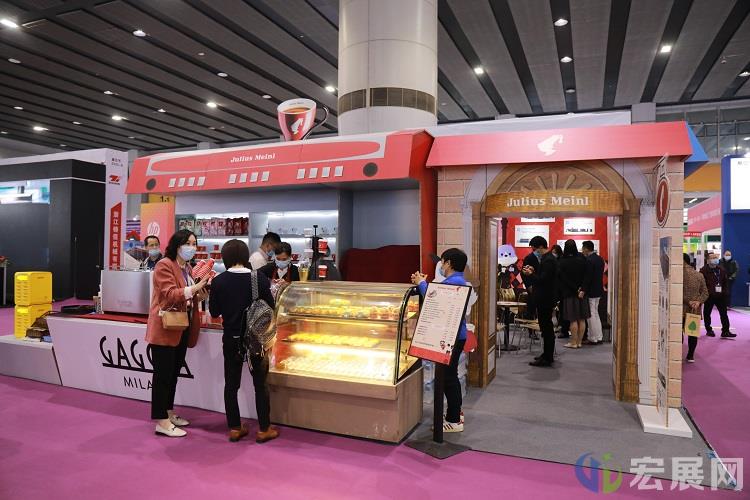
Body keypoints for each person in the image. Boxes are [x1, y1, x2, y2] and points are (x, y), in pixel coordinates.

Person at [209, 239, 279, 443]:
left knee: (231, 385)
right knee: (260, 384)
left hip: (231, 339)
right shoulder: (259, 278)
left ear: (225, 257)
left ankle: (235, 427)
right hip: (256, 340)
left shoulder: (219, 281)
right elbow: (270, 307)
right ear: (245, 255)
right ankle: (264, 429)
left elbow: (214, 312)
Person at [146, 229, 209, 438]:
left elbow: (186, 297)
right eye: (188, 243)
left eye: (194, 243)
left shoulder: (187, 268)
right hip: (165, 327)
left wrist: (200, 293)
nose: (192, 247)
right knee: (162, 375)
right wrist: (194, 288)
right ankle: (161, 421)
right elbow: (169, 294)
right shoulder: (164, 265)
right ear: (177, 245)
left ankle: (168, 412)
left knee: (173, 374)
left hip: (182, 326)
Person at [411, 248, 468, 432]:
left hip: (452, 337)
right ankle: (455, 413)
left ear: (449, 263)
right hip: (455, 336)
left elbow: (435, 299)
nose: (441, 266)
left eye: (442, 262)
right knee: (450, 376)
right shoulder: (456, 281)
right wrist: (422, 282)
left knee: (448, 378)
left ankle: (453, 420)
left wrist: (421, 283)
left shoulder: (455, 282)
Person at [522, 236, 557, 367]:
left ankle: (547, 357)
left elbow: (542, 281)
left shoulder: (548, 260)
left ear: (541, 247)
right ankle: (546, 354)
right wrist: (533, 272)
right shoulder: (548, 259)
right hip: (545, 298)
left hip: (545, 299)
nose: (534, 251)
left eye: (534, 249)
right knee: (545, 327)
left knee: (546, 328)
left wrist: (530, 274)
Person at [556, 240, 590, 349]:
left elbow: (563, 279)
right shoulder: (582, 258)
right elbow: (587, 276)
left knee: (573, 319)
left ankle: (573, 342)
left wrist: (576, 289)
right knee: (582, 319)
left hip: (570, 294)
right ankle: (579, 342)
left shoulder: (562, 261)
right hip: (582, 294)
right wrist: (582, 289)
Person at [700, 253, 735, 338]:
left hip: (721, 296)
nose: (715, 259)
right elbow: (702, 284)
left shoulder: (721, 269)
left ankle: (726, 331)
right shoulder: (703, 271)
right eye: (713, 258)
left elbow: (725, 282)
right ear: (708, 260)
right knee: (707, 313)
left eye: (716, 257)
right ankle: (709, 330)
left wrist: (725, 292)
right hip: (709, 296)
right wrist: (706, 293)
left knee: (724, 314)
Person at [683, 253, 708, 363]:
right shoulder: (699, 275)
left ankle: (676, 354)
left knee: (677, 332)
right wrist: (698, 302)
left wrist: (688, 301)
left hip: (680, 309)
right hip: (695, 309)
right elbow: (705, 293)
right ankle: (690, 355)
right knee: (692, 333)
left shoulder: (677, 275)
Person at [581, 241, 605, 346]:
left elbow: (588, 277)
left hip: (591, 291)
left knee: (591, 315)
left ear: (586, 248)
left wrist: (583, 290)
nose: (582, 250)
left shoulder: (589, 260)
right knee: (595, 313)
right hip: (598, 290)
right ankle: (599, 336)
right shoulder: (599, 259)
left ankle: (593, 338)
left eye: (583, 248)